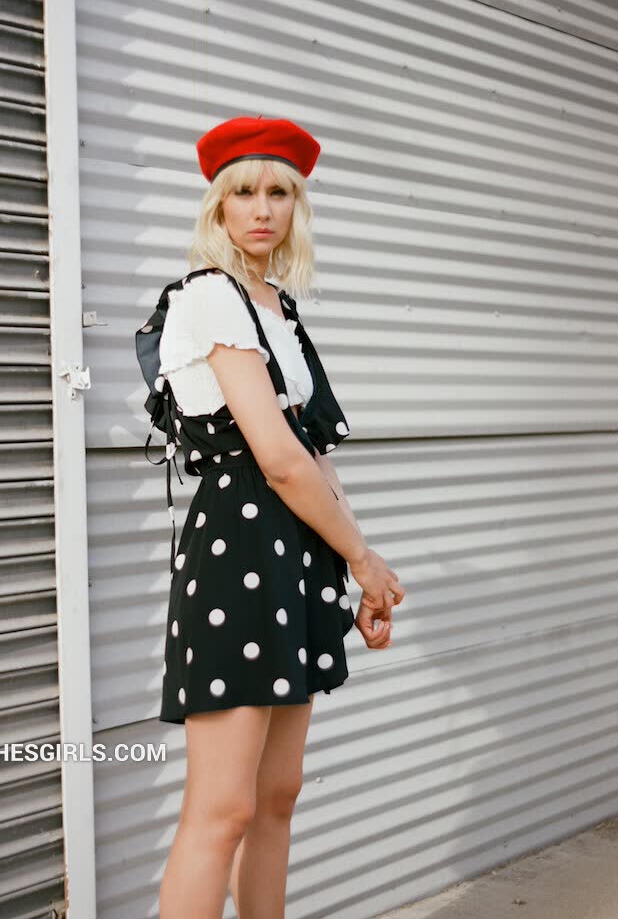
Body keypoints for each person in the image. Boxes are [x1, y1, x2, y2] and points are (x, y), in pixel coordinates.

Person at [134, 115, 406, 918]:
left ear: (297, 206)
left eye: (279, 192)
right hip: (239, 544)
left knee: (278, 794)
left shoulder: (278, 308)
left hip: (296, 546)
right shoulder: (208, 297)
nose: (263, 209)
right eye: (245, 192)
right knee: (222, 808)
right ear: (218, 205)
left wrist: (365, 562)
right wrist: (359, 558)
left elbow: (313, 454)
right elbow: (276, 457)